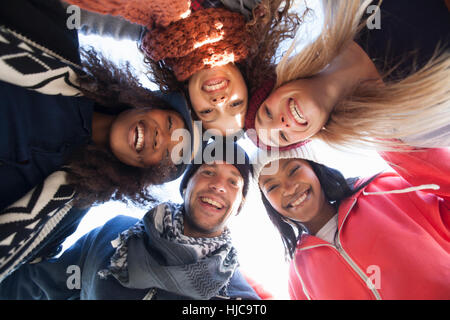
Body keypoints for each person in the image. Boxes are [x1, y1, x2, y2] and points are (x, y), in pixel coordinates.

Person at [0, 0, 202, 211]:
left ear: (144, 170)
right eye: (169, 123)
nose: (161, 137)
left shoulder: (65, 214)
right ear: (148, 104)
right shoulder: (57, 44)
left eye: (167, 154)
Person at [0, 141, 264, 300]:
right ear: (185, 186)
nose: (219, 185)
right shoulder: (113, 233)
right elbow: (38, 284)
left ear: (239, 205)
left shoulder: (234, 292)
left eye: (233, 182)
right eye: (208, 171)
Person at [64, 0, 301, 136]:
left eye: (207, 112)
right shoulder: (251, 7)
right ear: (247, 80)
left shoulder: (139, 30)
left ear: (188, 100)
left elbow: (68, 12)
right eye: (235, 104)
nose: (219, 102)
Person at [251, 140, 450, 299]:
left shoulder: (384, 191)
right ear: (269, 204)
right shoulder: (299, 280)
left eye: (294, 170)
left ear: (315, 169)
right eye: (272, 187)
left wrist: (392, 139)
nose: (288, 188)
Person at [245, 0, 450, 150]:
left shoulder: (341, 9)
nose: (281, 123)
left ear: (275, 86)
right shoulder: (411, 123)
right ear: (309, 137)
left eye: (267, 113)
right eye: (281, 136)